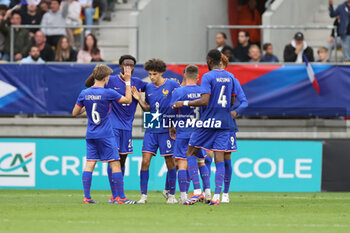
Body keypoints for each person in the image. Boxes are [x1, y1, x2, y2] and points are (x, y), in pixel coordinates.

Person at [172, 49, 236, 206]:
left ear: (209, 60)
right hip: (224, 121)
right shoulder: (230, 76)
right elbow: (233, 101)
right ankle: (216, 196)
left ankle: (198, 192)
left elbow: (205, 101)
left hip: (208, 122)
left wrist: (184, 103)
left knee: (190, 152)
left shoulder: (208, 76)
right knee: (219, 156)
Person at [84, 55, 148, 203]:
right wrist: (97, 72)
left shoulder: (138, 83)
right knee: (114, 159)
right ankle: (115, 195)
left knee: (122, 160)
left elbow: (154, 88)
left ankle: (118, 194)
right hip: (112, 126)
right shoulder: (110, 80)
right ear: (120, 66)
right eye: (125, 65)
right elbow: (88, 85)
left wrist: (172, 84)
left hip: (127, 127)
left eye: (131, 65)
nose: (128, 68)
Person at [72, 64, 136, 204]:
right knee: (115, 164)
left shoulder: (84, 93)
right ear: (106, 77)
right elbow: (128, 100)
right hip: (106, 134)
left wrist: (87, 107)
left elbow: (75, 112)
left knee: (90, 163)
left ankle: (87, 197)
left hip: (91, 134)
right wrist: (127, 82)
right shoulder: (108, 93)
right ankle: (120, 198)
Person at [132, 58, 180, 204]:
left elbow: (180, 100)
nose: (152, 77)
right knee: (145, 161)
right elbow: (148, 108)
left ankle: (171, 194)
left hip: (167, 128)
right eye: (150, 74)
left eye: (154, 74)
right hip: (151, 128)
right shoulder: (149, 87)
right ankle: (143, 197)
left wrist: (177, 123)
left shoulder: (172, 84)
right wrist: (139, 99)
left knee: (170, 162)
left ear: (161, 73)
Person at [169, 65, 211, 204]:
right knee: (201, 160)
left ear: (185, 76)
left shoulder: (178, 91)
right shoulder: (203, 91)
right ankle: (207, 192)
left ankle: (184, 196)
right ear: (198, 77)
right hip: (200, 132)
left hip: (183, 130)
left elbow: (172, 110)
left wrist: (171, 127)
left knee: (181, 162)